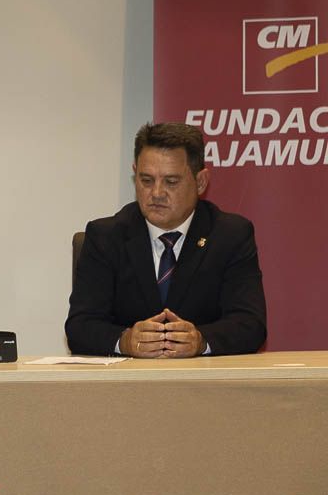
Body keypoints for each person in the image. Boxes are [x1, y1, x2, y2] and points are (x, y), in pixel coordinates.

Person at [65, 121, 266, 357]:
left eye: (171, 182)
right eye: (146, 180)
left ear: (200, 182)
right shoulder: (106, 237)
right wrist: (124, 341)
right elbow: (80, 327)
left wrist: (201, 341)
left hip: (203, 378)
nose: (157, 193)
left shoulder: (230, 236)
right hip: (128, 379)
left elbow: (250, 324)